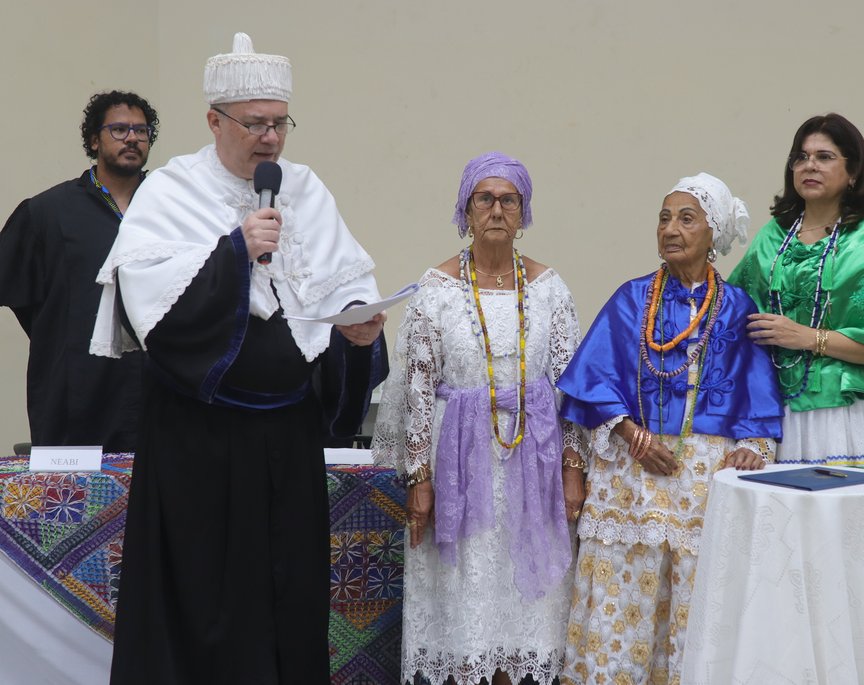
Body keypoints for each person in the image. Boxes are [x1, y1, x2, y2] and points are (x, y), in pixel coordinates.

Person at [90, 33, 387, 685]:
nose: (271, 139)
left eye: (279, 123)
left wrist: (359, 330)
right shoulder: (171, 191)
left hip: (287, 438)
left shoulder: (304, 188)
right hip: (200, 443)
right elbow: (149, 309)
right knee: (203, 600)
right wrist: (232, 251)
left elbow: (343, 285)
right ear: (214, 122)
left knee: (288, 593)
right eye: (255, 124)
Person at [557, 173, 783, 685]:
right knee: (623, 602)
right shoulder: (631, 299)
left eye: (686, 218)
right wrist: (632, 435)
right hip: (633, 476)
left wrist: (753, 444)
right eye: (664, 217)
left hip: (704, 482)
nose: (671, 229)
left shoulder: (738, 307)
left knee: (696, 601)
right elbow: (587, 384)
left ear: (714, 232)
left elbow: (759, 396)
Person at [372, 151, 584, 685]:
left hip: (532, 465)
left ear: (524, 211)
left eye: (507, 199)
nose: (495, 209)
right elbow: (418, 387)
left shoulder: (550, 289)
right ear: (465, 211)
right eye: (483, 199)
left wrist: (573, 468)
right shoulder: (435, 291)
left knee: (525, 596)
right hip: (457, 463)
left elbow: (572, 388)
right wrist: (419, 479)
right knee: (464, 591)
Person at [730, 113, 864, 476]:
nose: (809, 165)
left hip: (853, 412)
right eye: (801, 156)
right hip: (782, 406)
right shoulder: (772, 237)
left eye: (824, 157)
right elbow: (734, 315)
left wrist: (810, 338)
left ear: (853, 172)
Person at [0, 91, 158, 451]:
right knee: (74, 503)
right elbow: (20, 294)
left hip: (159, 392)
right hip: (77, 393)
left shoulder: (171, 209)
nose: (132, 138)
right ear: (93, 139)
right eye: (119, 129)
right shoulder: (48, 212)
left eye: (141, 130)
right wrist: (62, 331)